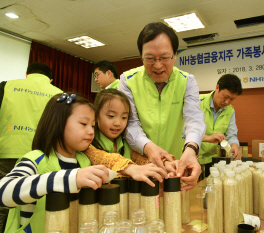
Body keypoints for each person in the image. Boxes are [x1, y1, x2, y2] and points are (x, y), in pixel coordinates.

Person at [1, 92, 167, 233]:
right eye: (83, 124)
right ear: (58, 122)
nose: (90, 131)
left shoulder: (85, 160)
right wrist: (71, 178)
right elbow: (3, 192)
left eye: (93, 125)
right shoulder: (36, 159)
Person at [118, 22, 206, 190]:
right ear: (141, 57)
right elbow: (130, 123)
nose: (158, 65)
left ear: (175, 55)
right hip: (139, 166)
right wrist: (148, 148)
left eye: (165, 57)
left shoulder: (187, 81)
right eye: (150, 58)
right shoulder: (128, 80)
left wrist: (191, 149)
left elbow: (194, 119)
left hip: (174, 168)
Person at [0, 62, 62, 232]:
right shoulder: (59, 94)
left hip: (7, 152)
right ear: (50, 80)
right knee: (32, 206)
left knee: (3, 202)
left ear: (27, 75)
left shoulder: (7, 86)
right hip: (42, 157)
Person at [199, 74, 242, 177]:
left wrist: (234, 145)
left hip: (211, 161)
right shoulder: (197, 102)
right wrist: (208, 138)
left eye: (232, 99)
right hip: (191, 157)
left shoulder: (230, 110)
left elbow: (231, 135)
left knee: (209, 190)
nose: (227, 102)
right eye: (225, 97)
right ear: (217, 87)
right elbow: (183, 133)